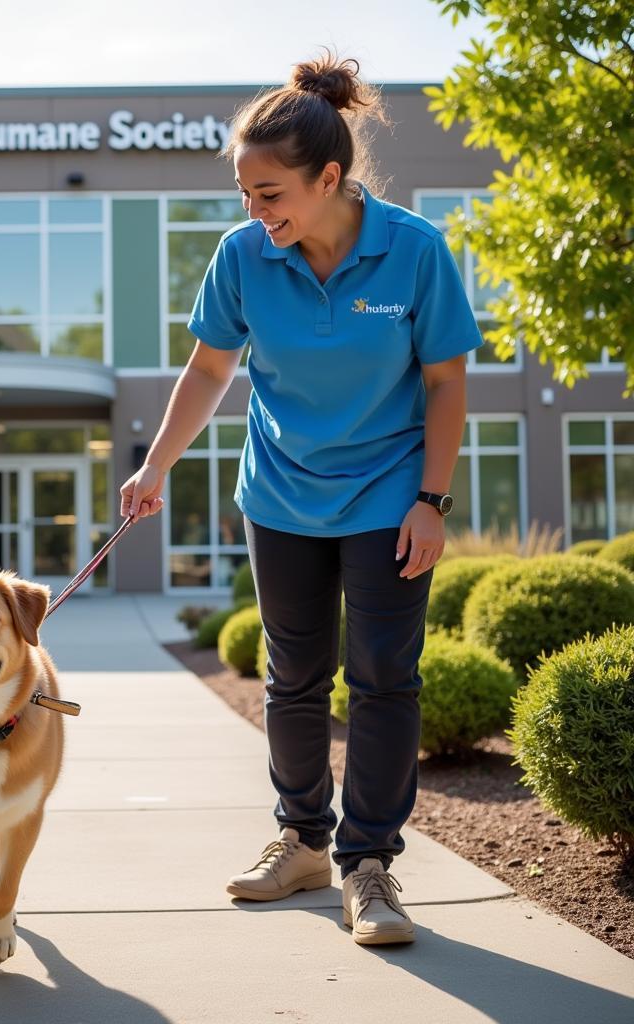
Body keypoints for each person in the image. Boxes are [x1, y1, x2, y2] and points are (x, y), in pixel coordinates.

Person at [119, 52, 483, 946]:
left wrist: (431, 498)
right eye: (246, 193)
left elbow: (445, 383)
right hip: (280, 494)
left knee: (384, 677)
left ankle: (369, 865)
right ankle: (303, 840)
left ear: (330, 178)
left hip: (390, 493)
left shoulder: (414, 252)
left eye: (271, 193)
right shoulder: (245, 256)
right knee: (293, 678)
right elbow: (209, 369)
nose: (256, 212)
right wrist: (157, 463)